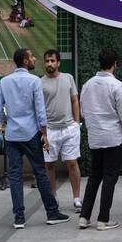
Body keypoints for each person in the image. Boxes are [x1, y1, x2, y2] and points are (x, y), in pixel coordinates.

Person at [0, 49, 70, 228]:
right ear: (26, 60)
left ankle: (19, 217)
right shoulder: (34, 80)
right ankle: (52, 212)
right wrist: (44, 133)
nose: (35, 58)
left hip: (12, 134)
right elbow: (40, 111)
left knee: (15, 176)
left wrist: (7, 122)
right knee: (40, 173)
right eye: (32, 57)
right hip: (30, 134)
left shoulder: (4, 81)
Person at [77, 49, 122, 231]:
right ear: (115, 64)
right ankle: (103, 219)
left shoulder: (87, 85)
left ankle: (84, 217)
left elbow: (84, 112)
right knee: (109, 177)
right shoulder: (117, 85)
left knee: (95, 176)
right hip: (113, 137)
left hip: (95, 137)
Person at [40, 49, 82, 211]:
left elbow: (75, 101)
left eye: (52, 61)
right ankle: (54, 198)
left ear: (58, 62)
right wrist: (42, 132)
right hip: (49, 130)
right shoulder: (40, 82)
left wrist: (76, 124)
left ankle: (77, 198)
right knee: (49, 165)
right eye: (47, 61)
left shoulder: (68, 78)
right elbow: (38, 108)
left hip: (69, 128)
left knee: (72, 163)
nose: (49, 64)